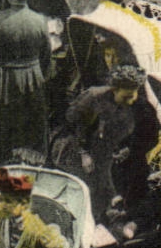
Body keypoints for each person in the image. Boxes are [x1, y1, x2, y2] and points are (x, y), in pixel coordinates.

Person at [0, 0, 52, 167]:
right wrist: (39, 73)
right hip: (34, 77)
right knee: (32, 125)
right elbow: (47, 55)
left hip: (7, 78)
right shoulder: (40, 20)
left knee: (4, 125)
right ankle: (33, 165)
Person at [58, 66, 145, 215]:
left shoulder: (134, 106)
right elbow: (71, 122)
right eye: (126, 97)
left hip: (105, 152)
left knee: (102, 193)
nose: (130, 101)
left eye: (133, 96)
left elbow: (129, 132)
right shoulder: (93, 97)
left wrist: (124, 148)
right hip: (78, 147)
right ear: (114, 89)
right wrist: (83, 153)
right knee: (80, 190)